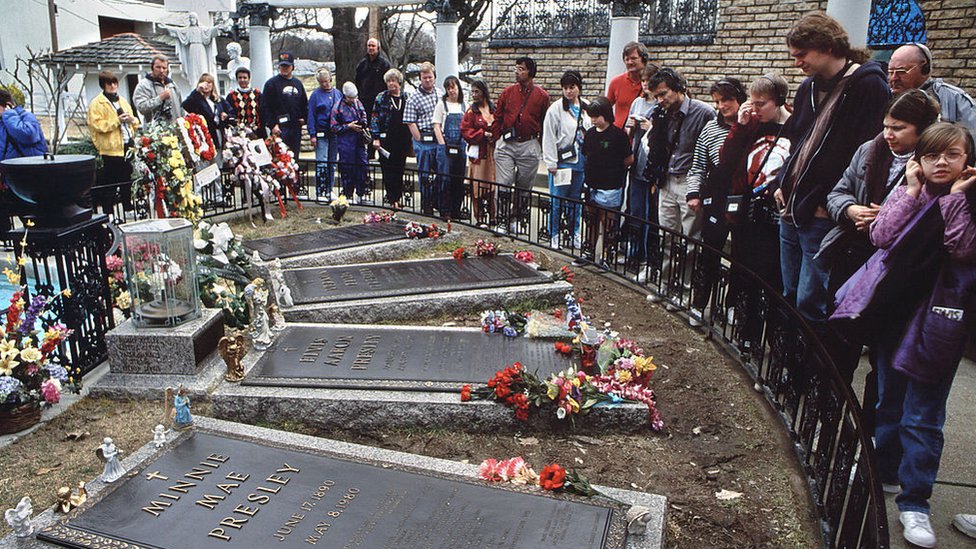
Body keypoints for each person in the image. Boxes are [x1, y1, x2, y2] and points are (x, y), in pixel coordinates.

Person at [869, 122, 976, 548]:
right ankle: (887, 473)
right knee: (888, 402)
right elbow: (881, 235)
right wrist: (910, 191)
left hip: (941, 323)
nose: (941, 163)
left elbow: (963, 248)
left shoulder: (966, 200)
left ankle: (916, 503)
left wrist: (952, 202)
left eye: (951, 154)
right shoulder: (911, 188)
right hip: (895, 315)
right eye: (932, 155)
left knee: (923, 417)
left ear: (967, 159)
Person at [820, 89, 940, 436]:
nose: (888, 134)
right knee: (839, 345)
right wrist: (851, 209)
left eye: (899, 128)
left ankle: (870, 432)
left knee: (882, 357)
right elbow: (837, 192)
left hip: (893, 267)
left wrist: (887, 217)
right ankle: (830, 419)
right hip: (853, 256)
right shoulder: (869, 151)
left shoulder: (931, 164)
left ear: (922, 130)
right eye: (886, 125)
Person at [773, 12, 890, 327]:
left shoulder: (868, 86)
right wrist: (782, 182)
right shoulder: (807, 88)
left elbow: (867, 154)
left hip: (824, 213)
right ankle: (788, 359)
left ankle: (812, 369)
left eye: (801, 54)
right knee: (791, 291)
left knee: (813, 300)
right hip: (792, 206)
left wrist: (831, 203)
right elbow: (797, 142)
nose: (797, 62)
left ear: (825, 46)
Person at [719, 74, 793, 351]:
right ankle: (745, 333)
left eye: (762, 104)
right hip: (745, 214)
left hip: (774, 217)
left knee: (771, 279)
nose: (756, 109)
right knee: (743, 273)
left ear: (779, 102)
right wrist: (739, 127)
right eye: (753, 102)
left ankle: (772, 339)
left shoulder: (797, 127)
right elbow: (725, 161)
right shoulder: (750, 125)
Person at [641, 67, 716, 300]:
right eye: (657, 96)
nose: (661, 100)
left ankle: (684, 291)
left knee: (691, 240)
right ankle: (664, 284)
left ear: (679, 89)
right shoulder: (661, 112)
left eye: (664, 94)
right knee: (667, 235)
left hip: (689, 182)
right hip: (666, 180)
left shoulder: (703, 112)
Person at [684, 77, 746, 325]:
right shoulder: (710, 129)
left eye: (727, 100)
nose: (722, 106)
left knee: (741, 256)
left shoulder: (752, 127)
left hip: (743, 196)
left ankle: (732, 304)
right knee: (709, 251)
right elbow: (698, 165)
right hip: (716, 196)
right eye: (717, 101)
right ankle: (700, 303)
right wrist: (694, 193)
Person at [491, 56, 550, 233]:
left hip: (529, 144)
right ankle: (501, 219)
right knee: (504, 182)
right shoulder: (507, 92)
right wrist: (496, 138)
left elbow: (545, 121)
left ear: (530, 72)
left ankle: (517, 218)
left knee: (524, 186)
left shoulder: (542, 96)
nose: (517, 72)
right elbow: (498, 117)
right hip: (507, 144)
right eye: (516, 68)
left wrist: (540, 146)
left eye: (521, 69)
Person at [577, 97, 633, 266]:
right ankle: (589, 252)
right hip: (591, 184)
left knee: (608, 223)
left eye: (597, 116)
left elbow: (628, 159)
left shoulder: (618, 135)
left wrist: (614, 169)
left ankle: (607, 256)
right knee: (590, 220)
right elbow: (586, 154)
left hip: (610, 186)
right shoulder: (591, 134)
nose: (594, 120)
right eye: (591, 117)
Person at [542, 70, 590, 249]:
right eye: (565, 88)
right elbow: (549, 136)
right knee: (557, 200)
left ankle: (574, 232)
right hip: (562, 162)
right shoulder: (556, 109)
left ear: (579, 88)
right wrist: (551, 162)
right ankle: (554, 233)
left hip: (580, 161)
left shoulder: (586, 107)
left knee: (576, 201)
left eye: (572, 87)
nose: (569, 91)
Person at [888, 43, 976, 135]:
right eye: (890, 72)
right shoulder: (884, 97)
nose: (893, 78)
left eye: (901, 72)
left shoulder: (955, 99)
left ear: (925, 69)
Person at [87, 70, 140, 213]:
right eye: (109, 84)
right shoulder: (97, 103)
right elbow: (97, 125)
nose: (112, 86)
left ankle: (127, 205)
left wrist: (131, 120)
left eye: (114, 83)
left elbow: (135, 121)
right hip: (111, 148)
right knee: (111, 181)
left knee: (126, 177)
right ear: (103, 85)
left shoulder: (121, 100)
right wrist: (117, 121)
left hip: (127, 144)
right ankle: (108, 209)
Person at [627, 63, 661, 278]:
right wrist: (631, 125)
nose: (646, 86)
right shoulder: (637, 102)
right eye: (644, 82)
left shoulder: (661, 107)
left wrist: (652, 128)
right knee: (636, 210)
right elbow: (627, 129)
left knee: (652, 215)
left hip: (652, 166)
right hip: (637, 162)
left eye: (650, 82)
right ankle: (634, 251)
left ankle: (649, 257)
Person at [0, 90, 47, 232]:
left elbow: (29, 135)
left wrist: (9, 114)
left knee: (38, 220)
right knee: (26, 219)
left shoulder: (25, 116)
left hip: (31, 177)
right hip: (12, 180)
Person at [403, 62, 441, 215]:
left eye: (430, 77)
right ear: (420, 78)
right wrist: (419, 139)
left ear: (434, 77)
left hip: (438, 138)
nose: (427, 80)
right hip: (423, 139)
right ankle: (426, 204)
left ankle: (437, 201)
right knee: (425, 174)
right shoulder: (414, 97)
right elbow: (410, 121)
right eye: (424, 77)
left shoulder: (439, 94)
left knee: (440, 172)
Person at [371, 68, 411, 209]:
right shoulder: (381, 97)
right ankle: (391, 198)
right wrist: (375, 137)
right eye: (388, 81)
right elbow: (375, 118)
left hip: (402, 140)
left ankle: (398, 198)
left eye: (393, 80)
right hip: (386, 139)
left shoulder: (406, 97)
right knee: (388, 170)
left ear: (399, 82)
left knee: (399, 169)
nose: (391, 84)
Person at [461, 79, 496, 227]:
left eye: (477, 91)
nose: (474, 95)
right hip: (479, 153)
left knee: (493, 185)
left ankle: (493, 216)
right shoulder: (471, 112)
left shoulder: (494, 108)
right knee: (478, 185)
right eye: (472, 92)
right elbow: (465, 131)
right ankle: (479, 216)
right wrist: (482, 134)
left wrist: (494, 135)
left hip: (493, 152)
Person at [260, 52, 308, 157]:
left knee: (294, 157)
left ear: (292, 67)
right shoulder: (271, 84)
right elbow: (265, 107)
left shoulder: (298, 84)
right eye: (282, 66)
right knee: (280, 157)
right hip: (280, 127)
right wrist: (272, 125)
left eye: (287, 66)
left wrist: (304, 118)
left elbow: (304, 103)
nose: (285, 68)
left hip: (295, 127)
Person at [308, 67, 344, 202]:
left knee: (332, 162)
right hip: (321, 132)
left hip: (334, 133)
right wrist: (312, 134)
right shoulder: (315, 95)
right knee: (321, 161)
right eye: (322, 82)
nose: (325, 84)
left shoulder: (338, 94)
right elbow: (311, 115)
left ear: (331, 79)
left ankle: (330, 189)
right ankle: (321, 190)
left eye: (327, 81)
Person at [433, 76, 467, 220]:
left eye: (453, 87)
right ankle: (445, 210)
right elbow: (436, 125)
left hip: (461, 147)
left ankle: (456, 210)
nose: (451, 91)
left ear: (459, 87)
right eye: (448, 88)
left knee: (458, 179)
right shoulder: (442, 104)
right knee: (445, 179)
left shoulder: (465, 105)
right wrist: (442, 144)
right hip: (446, 147)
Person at [330, 82, 369, 203]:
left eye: (354, 97)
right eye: (350, 98)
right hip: (345, 143)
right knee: (347, 168)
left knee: (363, 165)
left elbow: (364, 116)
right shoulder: (337, 107)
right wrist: (348, 126)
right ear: (345, 95)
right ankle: (348, 194)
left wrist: (362, 124)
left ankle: (362, 193)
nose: (353, 100)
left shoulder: (358, 103)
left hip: (358, 141)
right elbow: (333, 127)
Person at [181, 73, 230, 151]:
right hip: (205, 135)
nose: (206, 85)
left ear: (213, 85)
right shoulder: (196, 100)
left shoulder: (219, 100)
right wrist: (197, 91)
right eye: (204, 82)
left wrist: (226, 115)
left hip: (219, 134)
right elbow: (185, 106)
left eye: (209, 83)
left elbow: (231, 113)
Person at [607, 41, 650, 129]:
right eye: (627, 59)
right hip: (620, 136)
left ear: (644, 59)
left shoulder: (653, 83)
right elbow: (605, 108)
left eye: (633, 58)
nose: (629, 62)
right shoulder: (616, 82)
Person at [132, 55, 182, 123]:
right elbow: (141, 108)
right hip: (155, 131)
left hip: (175, 129)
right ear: (152, 68)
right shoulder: (143, 86)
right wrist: (160, 98)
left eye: (164, 68)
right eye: (158, 67)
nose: (161, 71)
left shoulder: (172, 85)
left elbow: (181, 107)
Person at [355, 38, 391, 127]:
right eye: (369, 46)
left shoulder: (384, 64)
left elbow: (388, 83)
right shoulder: (362, 64)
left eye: (373, 46)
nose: (371, 48)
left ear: (378, 48)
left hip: (379, 102)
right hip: (364, 102)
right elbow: (358, 82)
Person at [226, 67, 261, 135]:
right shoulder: (231, 96)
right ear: (237, 79)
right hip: (239, 132)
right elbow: (230, 113)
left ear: (249, 79)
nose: (242, 80)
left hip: (256, 130)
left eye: (245, 77)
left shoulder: (257, 94)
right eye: (240, 78)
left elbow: (263, 112)